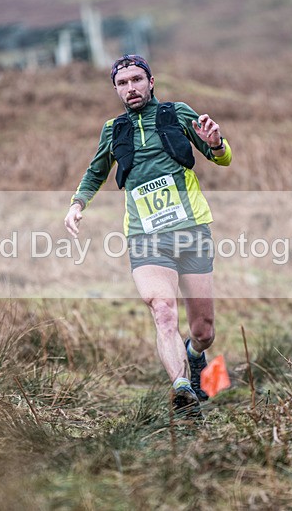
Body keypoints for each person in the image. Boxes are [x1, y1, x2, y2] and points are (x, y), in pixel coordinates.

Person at [64, 55, 233, 417]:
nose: (131, 88)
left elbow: (221, 158)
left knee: (203, 330)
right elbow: (96, 171)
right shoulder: (114, 130)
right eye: (123, 83)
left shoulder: (177, 113)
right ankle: (182, 390)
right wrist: (77, 204)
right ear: (115, 89)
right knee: (163, 310)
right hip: (145, 237)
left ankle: (195, 356)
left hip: (191, 231)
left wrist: (217, 144)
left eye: (137, 79)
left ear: (151, 81)